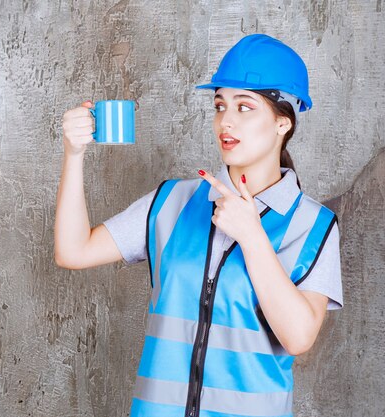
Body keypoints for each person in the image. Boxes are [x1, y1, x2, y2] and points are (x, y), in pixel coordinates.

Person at [55, 34, 343, 417]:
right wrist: (73, 155)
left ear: (282, 123)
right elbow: (73, 251)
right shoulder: (173, 202)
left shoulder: (313, 225)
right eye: (220, 104)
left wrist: (252, 236)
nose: (226, 120)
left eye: (245, 107)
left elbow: (298, 337)